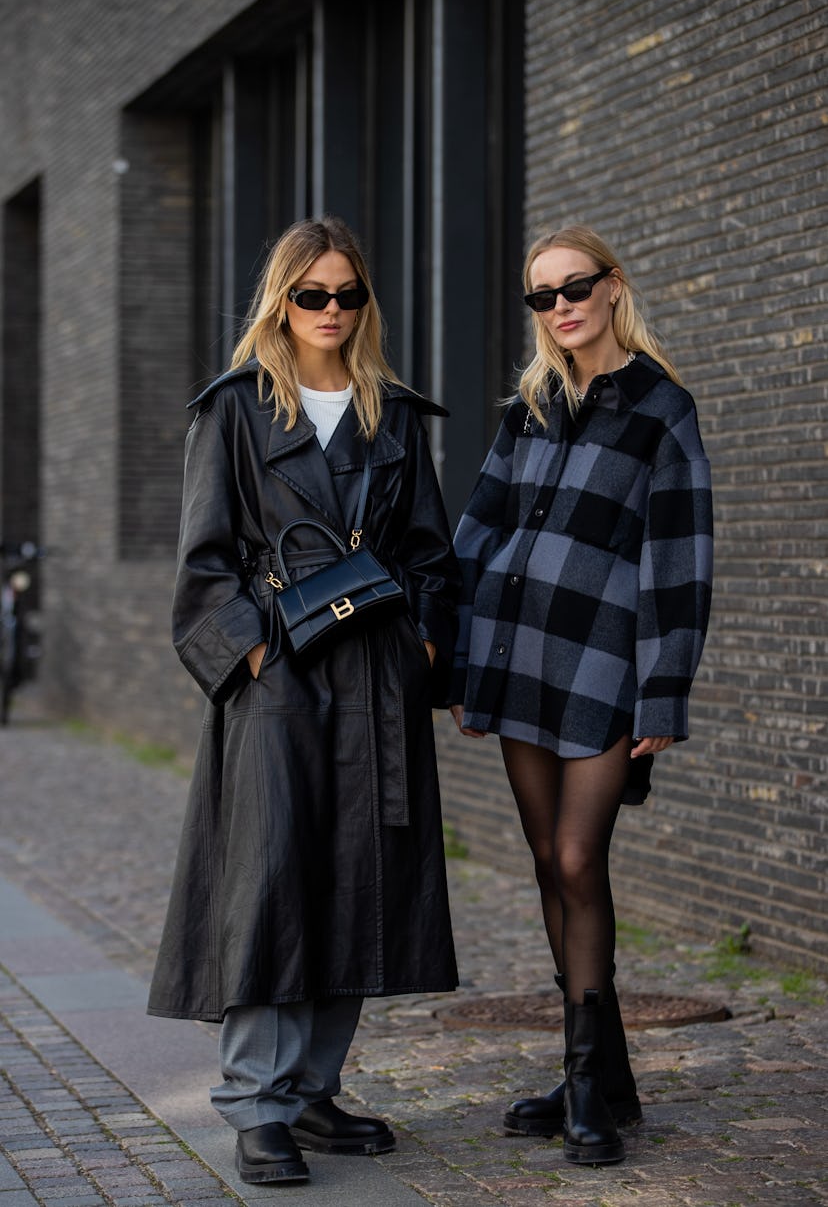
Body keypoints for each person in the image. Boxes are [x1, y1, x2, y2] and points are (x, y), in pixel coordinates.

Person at [148, 215, 460, 1187]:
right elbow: (204, 563)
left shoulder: (394, 412)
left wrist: (422, 643)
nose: (329, 310)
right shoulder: (236, 409)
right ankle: (256, 1103)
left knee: (360, 876)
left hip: (375, 673)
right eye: (311, 294)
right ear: (280, 302)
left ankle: (314, 1089)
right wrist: (254, 662)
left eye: (346, 295)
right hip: (280, 673)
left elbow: (427, 549)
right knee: (275, 878)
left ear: (365, 302)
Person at [449, 224, 713, 1165]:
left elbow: (677, 557)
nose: (559, 305)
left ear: (612, 287)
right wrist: (460, 666)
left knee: (575, 860)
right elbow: (478, 535)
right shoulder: (526, 410)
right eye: (542, 295)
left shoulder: (660, 409)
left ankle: (592, 1085)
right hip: (519, 657)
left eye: (574, 287)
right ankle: (595, 1073)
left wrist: (664, 690)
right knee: (541, 860)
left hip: (603, 665)